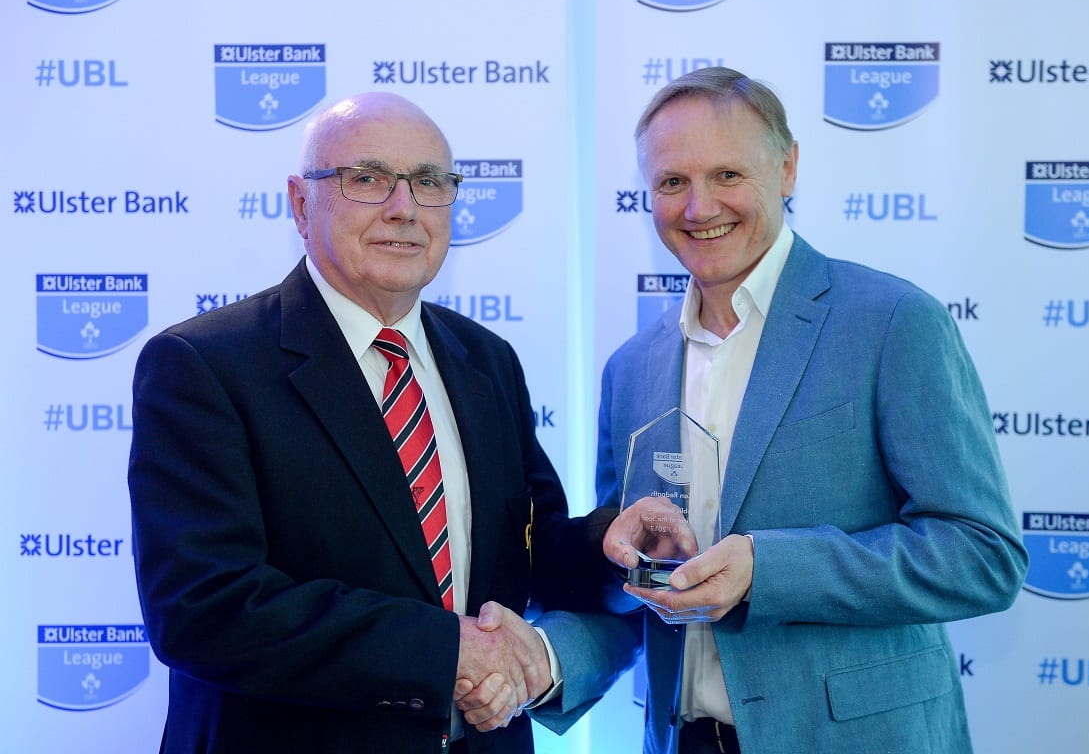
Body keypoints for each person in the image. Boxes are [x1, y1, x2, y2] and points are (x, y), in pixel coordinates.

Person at [127, 91, 632, 754]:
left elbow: (527, 560)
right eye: (367, 179)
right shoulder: (203, 366)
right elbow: (204, 608)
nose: (404, 208)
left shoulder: (486, 361)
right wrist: (445, 651)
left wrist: (613, 545)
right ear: (301, 203)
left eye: (429, 183)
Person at [590, 67, 1029, 754]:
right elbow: (624, 582)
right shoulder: (629, 369)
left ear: (788, 168)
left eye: (728, 175)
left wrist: (769, 569)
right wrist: (536, 658)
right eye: (673, 182)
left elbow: (982, 555)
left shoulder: (890, 323)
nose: (699, 207)